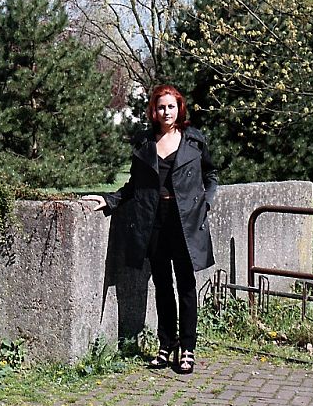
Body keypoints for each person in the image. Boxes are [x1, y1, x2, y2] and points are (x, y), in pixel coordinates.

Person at [82, 85, 218, 374]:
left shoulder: (194, 139)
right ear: (153, 111)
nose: (166, 112)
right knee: (163, 286)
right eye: (161, 107)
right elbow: (135, 185)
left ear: (179, 108)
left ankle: (188, 348)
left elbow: (211, 175)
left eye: (171, 106)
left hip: (185, 220)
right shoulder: (145, 142)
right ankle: (166, 345)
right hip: (154, 221)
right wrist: (109, 200)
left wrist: (205, 202)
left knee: (186, 285)